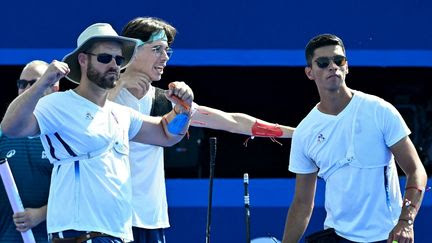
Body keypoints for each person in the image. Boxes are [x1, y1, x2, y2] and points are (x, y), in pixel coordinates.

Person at [0, 23, 193, 242]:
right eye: (104, 58)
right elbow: (11, 127)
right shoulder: (58, 104)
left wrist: (183, 109)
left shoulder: (121, 114)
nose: (113, 65)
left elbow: (166, 133)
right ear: (83, 60)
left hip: (118, 235)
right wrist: (42, 82)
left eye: (118, 60)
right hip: (80, 234)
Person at [107, 17, 295, 242]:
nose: (165, 57)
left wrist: (295, 133)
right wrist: (117, 85)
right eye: (157, 49)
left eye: (167, 51)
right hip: (107, 218)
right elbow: (80, 122)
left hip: (149, 219)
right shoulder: (98, 96)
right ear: (132, 49)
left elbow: (232, 122)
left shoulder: (168, 102)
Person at [282, 34, 428, 243]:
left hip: (387, 237)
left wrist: (406, 221)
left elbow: (416, 171)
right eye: (323, 63)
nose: (332, 67)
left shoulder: (380, 110)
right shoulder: (305, 131)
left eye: (338, 60)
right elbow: (302, 203)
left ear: (347, 66)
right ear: (309, 73)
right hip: (337, 236)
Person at [0, 60, 59, 242]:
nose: (25, 89)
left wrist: (41, 214)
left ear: (54, 88)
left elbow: (79, 192)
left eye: (33, 83)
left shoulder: (64, 135)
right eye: (21, 84)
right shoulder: (3, 133)